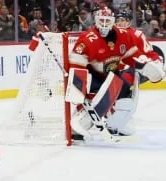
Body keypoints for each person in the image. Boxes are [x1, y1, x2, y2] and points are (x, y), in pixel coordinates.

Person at [67, 7, 163, 137]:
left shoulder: (125, 35)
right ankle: (81, 122)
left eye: (108, 20)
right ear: (96, 20)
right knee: (101, 95)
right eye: (102, 20)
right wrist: (78, 88)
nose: (105, 24)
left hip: (113, 73)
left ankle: (117, 121)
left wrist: (147, 65)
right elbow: (76, 65)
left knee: (123, 86)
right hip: (94, 75)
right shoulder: (87, 39)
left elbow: (134, 55)